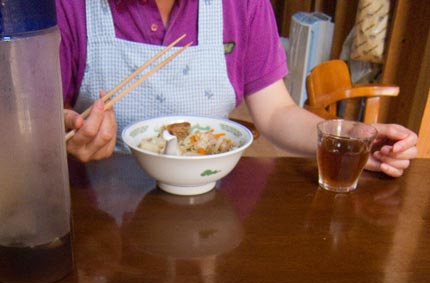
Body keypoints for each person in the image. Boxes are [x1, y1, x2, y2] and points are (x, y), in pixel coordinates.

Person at [57, 0, 418, 177]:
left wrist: (346, 140)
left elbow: (276, 113)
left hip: (211, 200)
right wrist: (64, 134)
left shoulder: (241, 3)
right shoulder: (66, 6)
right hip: (102, 205)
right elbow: (37, 127)